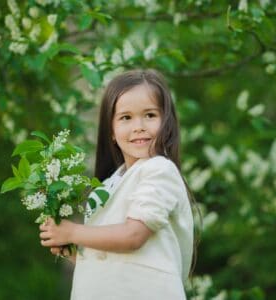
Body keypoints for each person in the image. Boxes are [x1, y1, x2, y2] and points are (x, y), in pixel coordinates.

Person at [39, 69, 196, 299]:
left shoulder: (159, 170)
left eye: (150, 115)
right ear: (111, 131)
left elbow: (133, 236)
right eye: (126, 117)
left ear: (167, 122)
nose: (139, 126)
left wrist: (73, 232)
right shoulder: (109, 185)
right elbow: (111, 259)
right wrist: (73, 250)